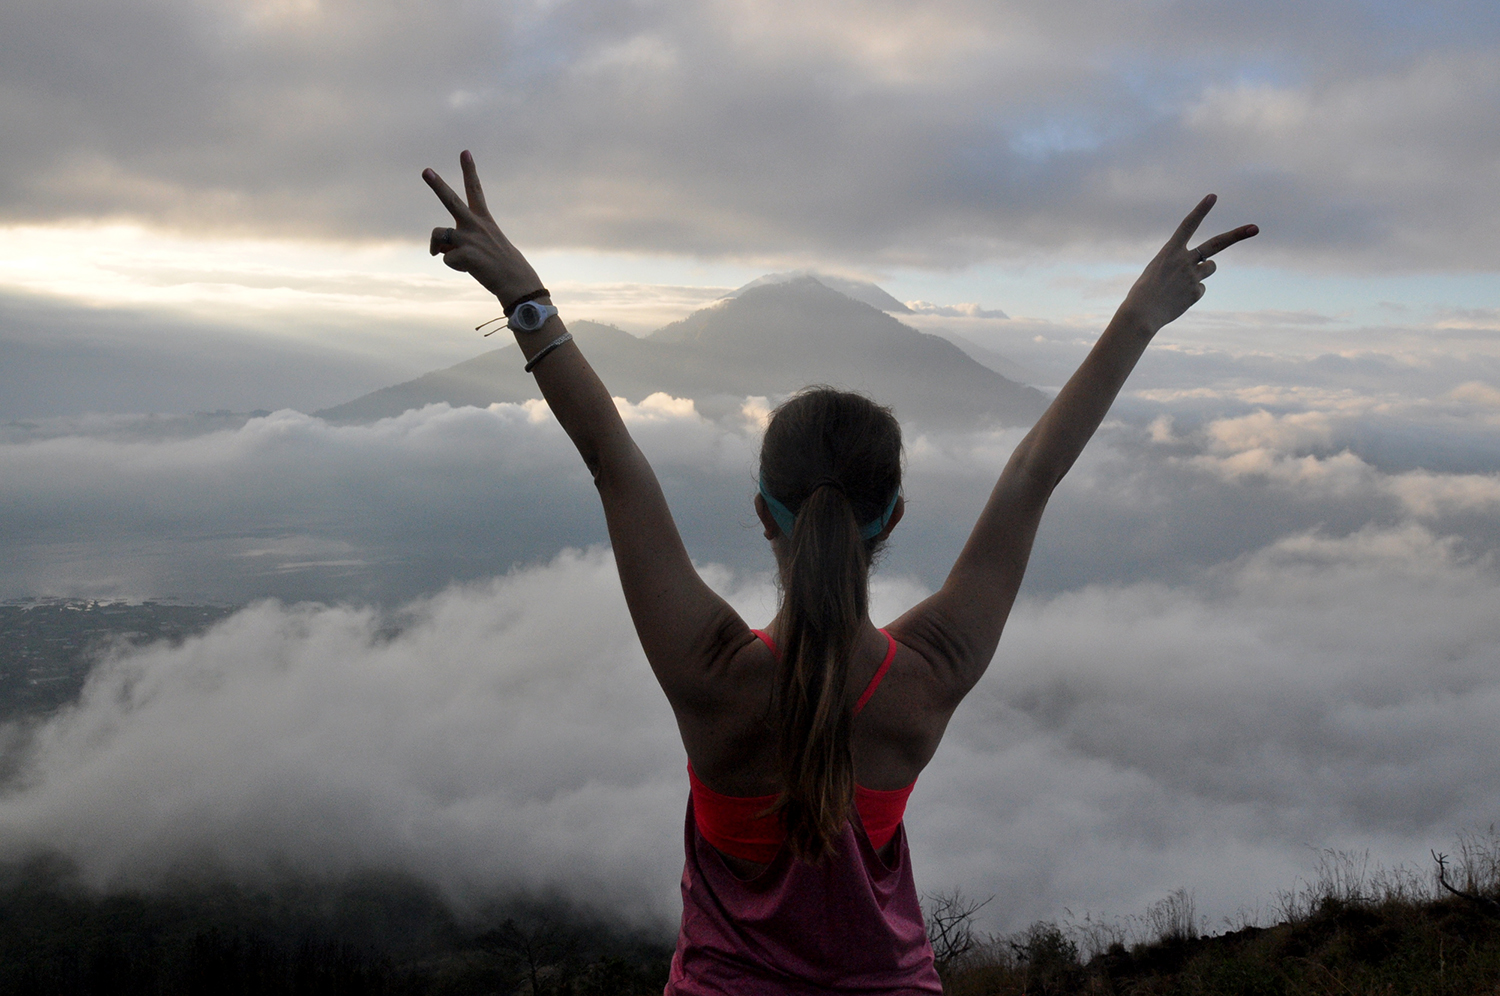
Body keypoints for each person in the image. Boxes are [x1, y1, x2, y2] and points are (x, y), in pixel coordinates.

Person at [423, 151, 1258, 994]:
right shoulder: (928, 677)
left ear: (760, 512)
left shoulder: (709, 675)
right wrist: (1137, 320)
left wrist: (525, 299)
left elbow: (612, 458)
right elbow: (1033, 475)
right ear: (891, 518)